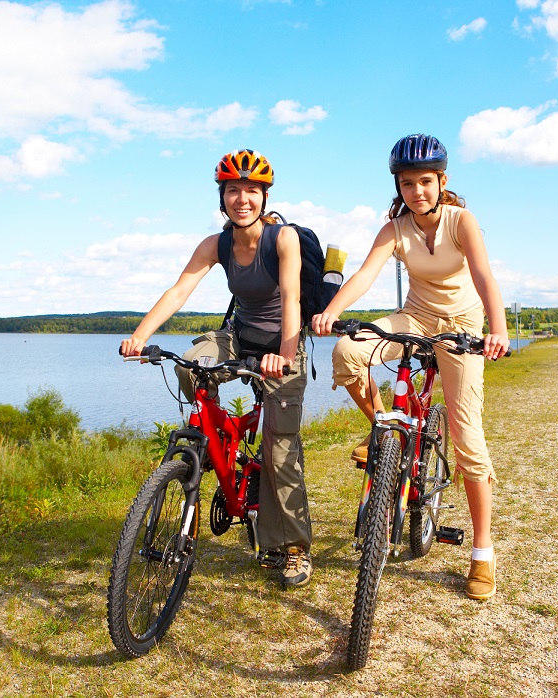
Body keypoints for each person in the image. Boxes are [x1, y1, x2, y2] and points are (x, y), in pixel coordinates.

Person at [311, 134, 510, 600]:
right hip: (415, 317)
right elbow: (364, 273)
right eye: (407, 183)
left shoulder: (462, 221)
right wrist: (332, 312)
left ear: (442, 181)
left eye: (425, 181)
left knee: (468, 439)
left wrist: (496, 329)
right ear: (397, 186)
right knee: (349, 352)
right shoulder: (395, 229)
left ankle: (483, 552)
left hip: (462, 325)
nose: (416, 191)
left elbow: (483, 276)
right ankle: (381, 423)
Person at [120, 149, 313, 588]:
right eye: (233, 190)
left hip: (283, 344)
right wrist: (140, 335)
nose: (241, 199)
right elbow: (178, 290)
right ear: (222, 197)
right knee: (189, 364)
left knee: (279, 451)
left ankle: (295, 549)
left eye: (251, 191)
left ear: (264, 197)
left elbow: (292, 299)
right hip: (239, 337)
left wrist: (283, 355)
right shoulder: (217, 244)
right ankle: (216, 436)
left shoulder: (282, 239)